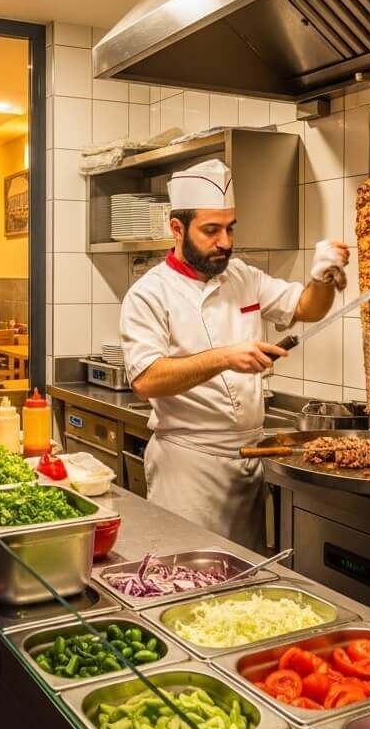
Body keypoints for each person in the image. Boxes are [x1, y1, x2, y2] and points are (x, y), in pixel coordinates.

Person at [120, 159, 349, 554]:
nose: (225, 241)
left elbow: (307, 308)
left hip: (248, 461)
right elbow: (146, 380)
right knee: (186, 578)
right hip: (188, 466)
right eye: (211, 230)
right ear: (177, 229)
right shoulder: (149, 293)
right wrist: (225, 357)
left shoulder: (243, 276)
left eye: (229, 228)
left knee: (244, 581)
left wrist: (322, 277)